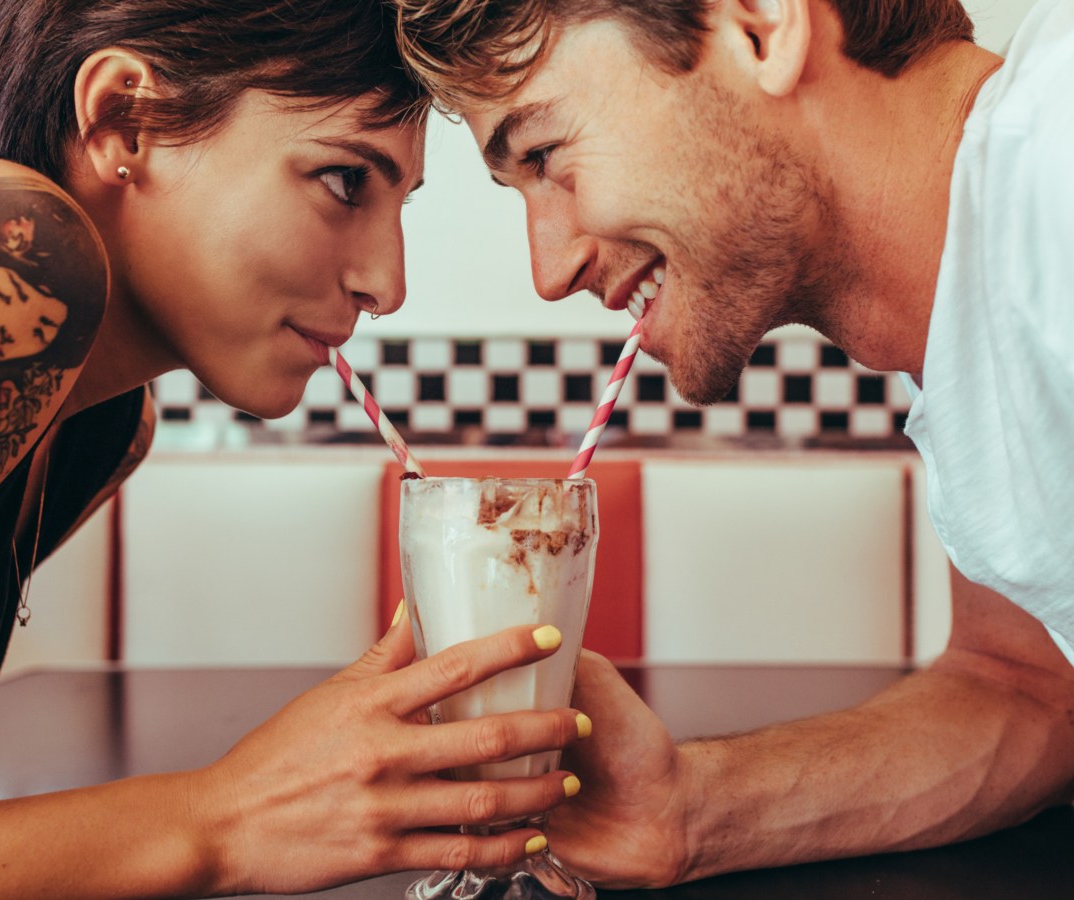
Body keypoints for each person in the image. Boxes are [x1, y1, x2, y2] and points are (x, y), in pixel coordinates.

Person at [0, 1, 590, 895]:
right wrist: (222, 820)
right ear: (122, 118)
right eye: (341, 181)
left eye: (397, 204)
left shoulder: (102, 427)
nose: (387, 284)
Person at [390, 0, 1074, 888]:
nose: (550, 269)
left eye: (546, 154)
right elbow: (1030, 691)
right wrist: (684, 809)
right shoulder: (976, 283)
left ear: (761, 24)